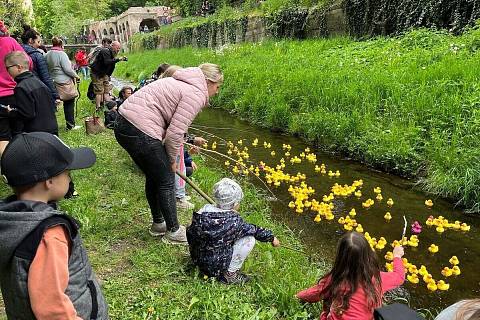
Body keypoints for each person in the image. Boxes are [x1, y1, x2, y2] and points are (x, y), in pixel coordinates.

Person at [0, 132, 109, 319]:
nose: (69, 179)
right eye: (67, 173)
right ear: (48, 181)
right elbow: (50, 308)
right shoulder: (49, 234)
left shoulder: (11, 220)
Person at [114, 63, 223, 244]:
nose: (217, 91)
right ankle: (173, 231)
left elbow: (171, 123)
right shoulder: (195, 93)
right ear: (209, 82)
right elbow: (173, 135)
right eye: (217, 87)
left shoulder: (183, 82)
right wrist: (172, 160)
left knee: (154, 175)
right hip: (139, 128)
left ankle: (159, 224)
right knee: (165, 179)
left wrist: (190, 139)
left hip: (124, 123)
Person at [186, 178, 280, 284]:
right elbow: (254, 230)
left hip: (197, 259)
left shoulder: (201, 212)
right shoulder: (234, 221)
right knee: (249, 239)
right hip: (216, 267)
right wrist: (272, 237)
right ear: (234, 204)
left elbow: (189, 232)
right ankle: (229, 275)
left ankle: (201, 264)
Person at [296, 232, 406, 320]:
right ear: (368, 255)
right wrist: (397, 256)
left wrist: (298, 296)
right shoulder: (378, 278)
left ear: (340, 257)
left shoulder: (335, 279)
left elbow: (315, 293)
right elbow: (399, 277)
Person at [4, 51, 58, 135]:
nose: (7, 71)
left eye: (8, 68)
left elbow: (27, 114)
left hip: (36, 135)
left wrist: (12, 112)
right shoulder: (38, 81)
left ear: (18, 67)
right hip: (51, 129)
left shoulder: (21, 87)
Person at [0, 20, 29, 154]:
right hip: (15, 93)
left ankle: (6, 170)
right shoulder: (9, 42)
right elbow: (28, 61)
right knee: (19, 132)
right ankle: (22, 166)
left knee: (3, 136)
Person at [45, 37, 81, 131]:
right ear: (62, 44)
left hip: (52, 81)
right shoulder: (62, 54)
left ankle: (50, 126)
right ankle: (70, 125)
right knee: (69, 103)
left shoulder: (47, 54)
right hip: (64, 82)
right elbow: (67, 69)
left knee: (52, 104)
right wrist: (76, 76)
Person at [20, 25, 59, 103]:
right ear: (31, 40)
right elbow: (45, 77)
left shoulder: (17, 54)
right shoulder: (37, 55)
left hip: (22, 91)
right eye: (38, 41)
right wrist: (55, 95)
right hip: (38, 91)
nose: (39, 45)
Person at [90, 40, 127, 111]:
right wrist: (118, 59)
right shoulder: (105, 51)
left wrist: (108, 75)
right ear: (112, 46)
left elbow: (111, 66)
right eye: (117, 48)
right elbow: (107, 62)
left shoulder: (112, 53)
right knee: (99, 91)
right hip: (96, 73)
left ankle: (110, 107)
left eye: (119, 48)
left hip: (104, 74)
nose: (118, 50)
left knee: (106, 91)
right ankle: (98, 108)